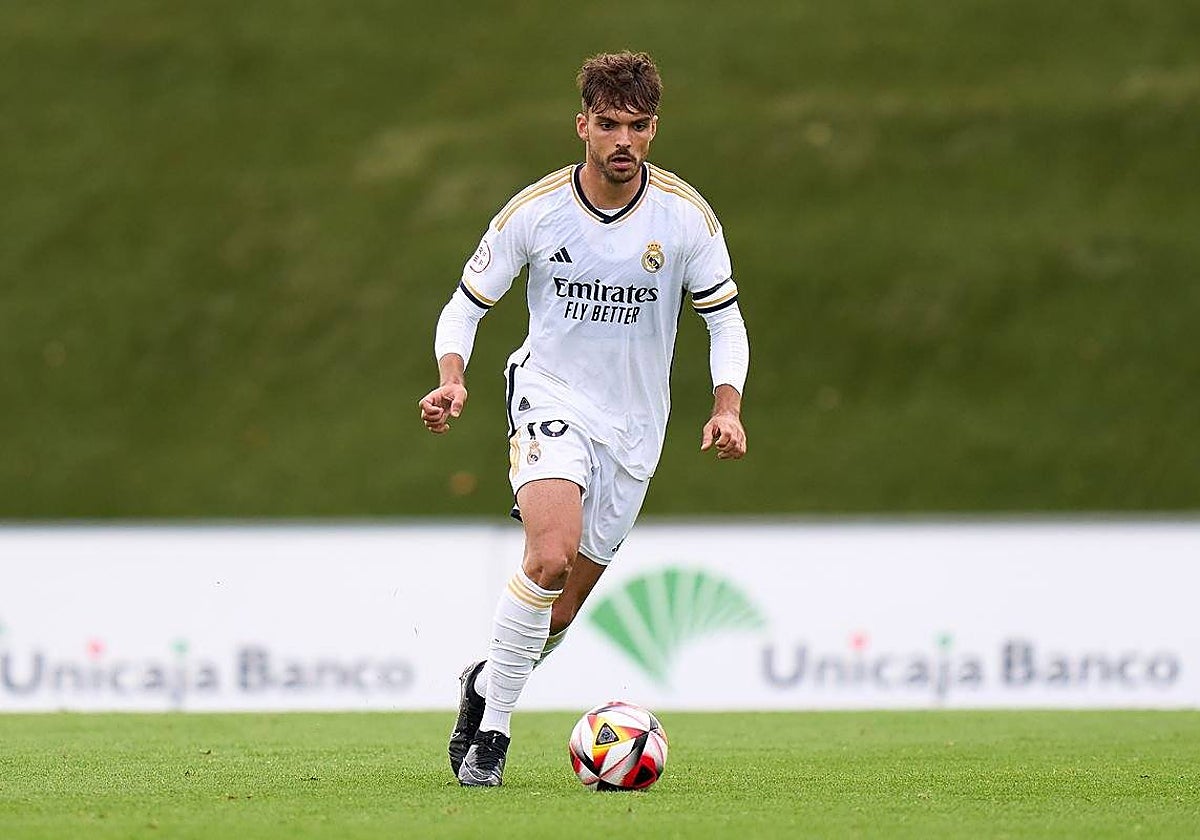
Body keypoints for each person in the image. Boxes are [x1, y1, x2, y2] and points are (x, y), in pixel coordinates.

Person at [419, 50, 749, 787]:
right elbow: (464, 307)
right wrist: (452, 379)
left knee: (559, 614)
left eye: (637, 125)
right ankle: (494, 736)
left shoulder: (685, 218)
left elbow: (724, 320)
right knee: (549, 556)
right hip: (551, 397)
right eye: (608, 124)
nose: (623, 140)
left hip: (636, 429)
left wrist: (726, 406)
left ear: (654, 128)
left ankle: (483, 684)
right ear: (582, 126)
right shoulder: (537, 211)